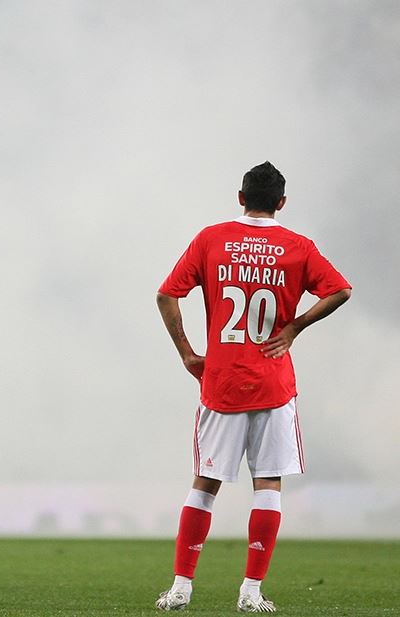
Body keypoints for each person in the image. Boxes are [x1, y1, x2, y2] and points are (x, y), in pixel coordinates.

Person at [154, 162, 351, 612]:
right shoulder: (298, 247)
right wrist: (295, 327)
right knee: (267, 485)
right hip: (273, 382)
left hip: (221, 381)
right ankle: (251, 591)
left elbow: (167, 295)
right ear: (281, 202)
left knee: (204, 485)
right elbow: (340, 290)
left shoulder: (211, 239)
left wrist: (187, 353)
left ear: (240, 198)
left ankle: (181, 587)